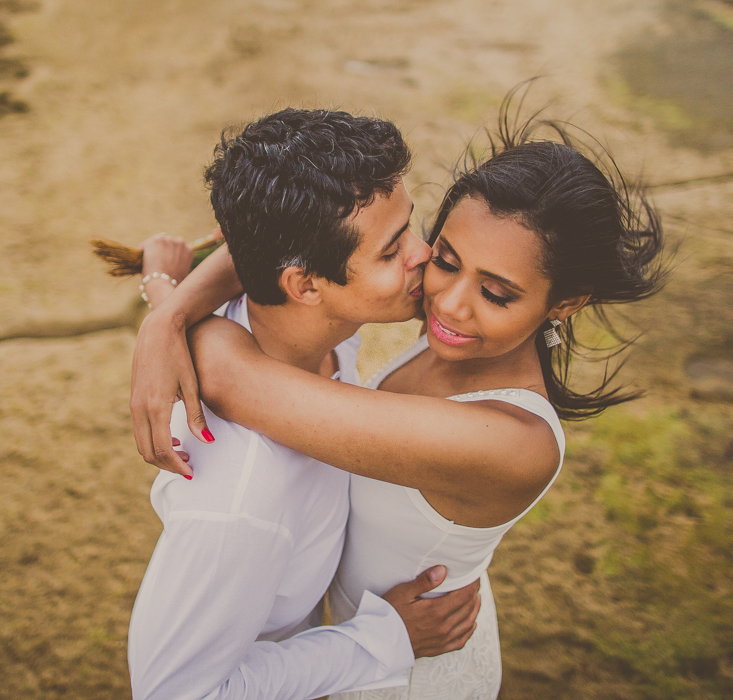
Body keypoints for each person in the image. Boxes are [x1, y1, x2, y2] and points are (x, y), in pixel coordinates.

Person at [129, 107, 666, 699]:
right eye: (446, 258)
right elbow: (289, 239)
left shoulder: (511, 442)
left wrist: (166, 308)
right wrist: (170, 313)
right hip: (358, 644)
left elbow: (230, 370)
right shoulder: (456, 329)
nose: (447, 302)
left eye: (496, 292)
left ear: (564, 304)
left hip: (411, 669)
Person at [127, 109, 482, 700]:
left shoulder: (319, 325)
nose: (424, 254)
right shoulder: (240, 503)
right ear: (306, 286)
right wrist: (384, 639)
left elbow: (257, 249)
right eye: (392, 252)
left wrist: (167, 303)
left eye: (409, 228)